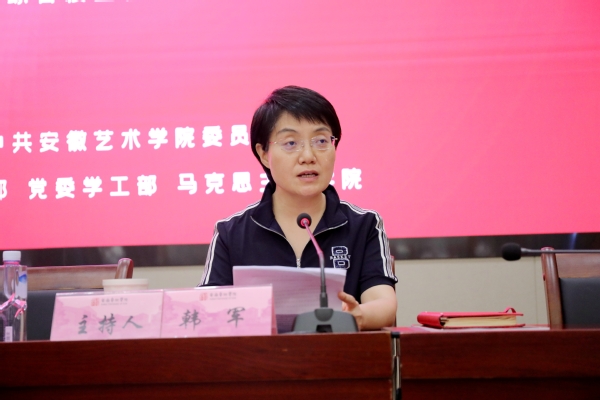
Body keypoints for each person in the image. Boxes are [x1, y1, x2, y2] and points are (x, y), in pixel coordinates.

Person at [199, 86, 397, 330]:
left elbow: (383, 303)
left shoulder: (364, 224)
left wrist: (356, 316)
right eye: (291, 143)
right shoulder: (231, 232)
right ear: (263, 153)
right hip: (260, 354)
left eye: (321, 141)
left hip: (339, 351)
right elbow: (208, 309)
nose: (308, 156)